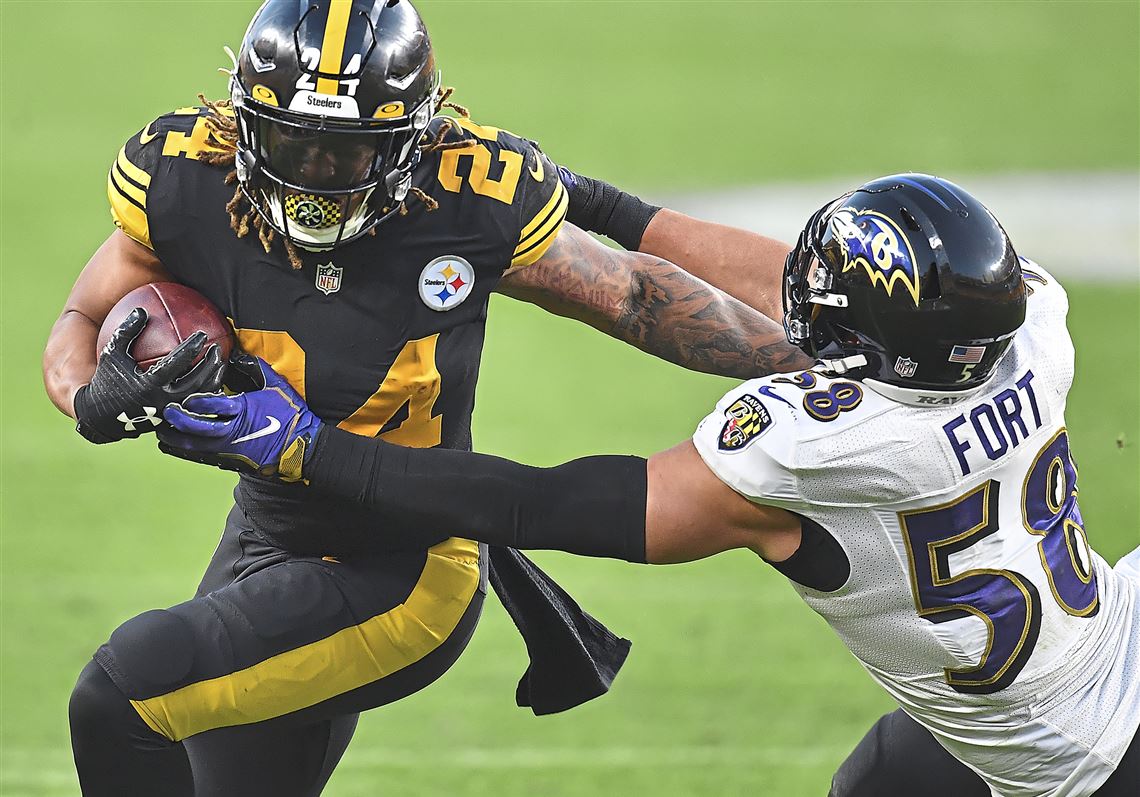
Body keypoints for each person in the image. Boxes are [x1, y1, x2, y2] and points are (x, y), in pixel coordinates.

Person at [160, 173, 1140, 796]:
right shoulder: (1027, 337)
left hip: (1073, 758)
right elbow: (799, 289)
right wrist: (580, 198)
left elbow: (548, 503)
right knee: (882, 777)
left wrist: (310, 450)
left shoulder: (816, 448)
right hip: (1104, 644)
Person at [41, 1, 810, 794]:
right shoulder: (185, 176)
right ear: (241, 121)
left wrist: (809, 357)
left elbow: (635, 298)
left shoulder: (465, 195)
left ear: (411, 141)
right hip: (268, 534)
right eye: (289, 142)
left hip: (404, 566)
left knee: (120, 696)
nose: (310, 176)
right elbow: (82, 315)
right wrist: (89, 397)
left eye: (341, 155)